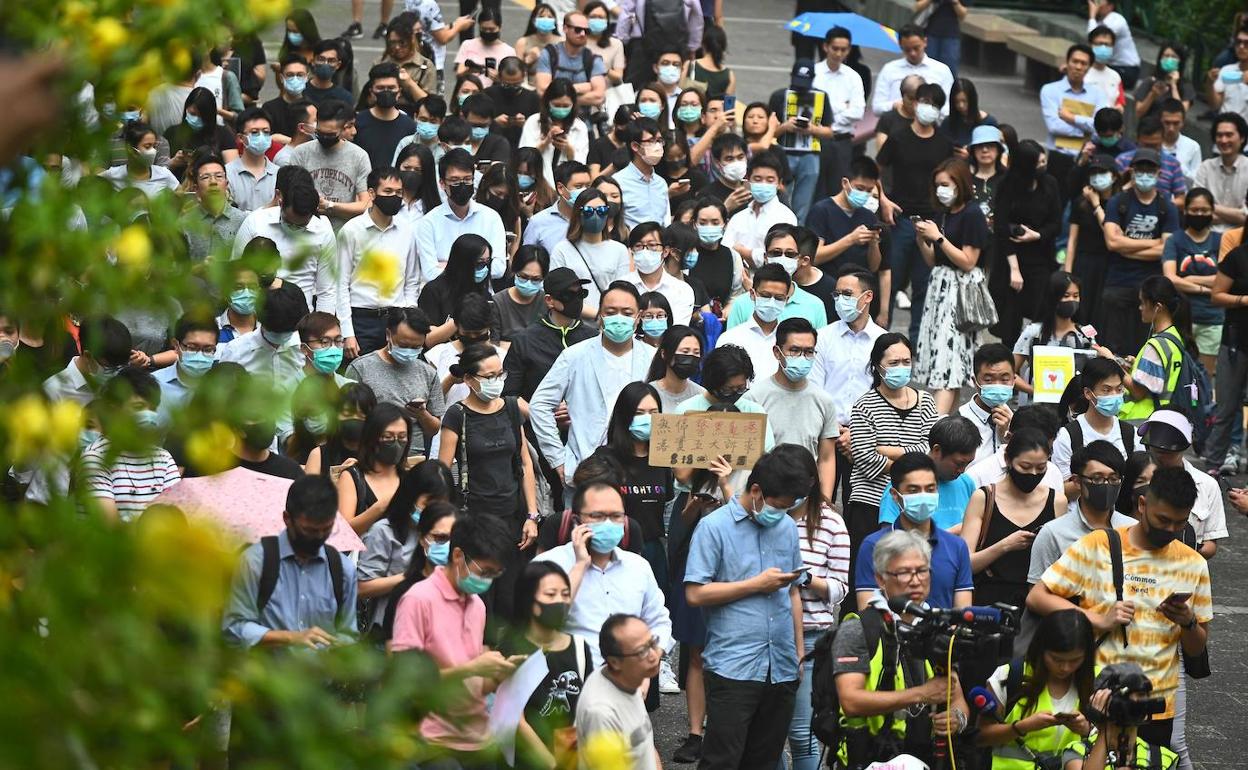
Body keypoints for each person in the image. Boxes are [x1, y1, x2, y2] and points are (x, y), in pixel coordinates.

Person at [1027, 465, 1211, 750]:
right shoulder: (1099, 544)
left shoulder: (1194, 563)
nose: (1171, 530)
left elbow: (1198, 647)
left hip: (1156, 705)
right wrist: (1095, 619)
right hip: (1097, 696)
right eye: (1162, 520)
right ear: (1142, 504)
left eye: (1180, 523)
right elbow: (1038, 596)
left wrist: (1188, 622)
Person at [684, 448, 806, 770]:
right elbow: (695, 593)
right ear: (756, 491)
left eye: (788, 507)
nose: (782, 513)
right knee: (722, 760)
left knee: (765, 760)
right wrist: (755, 585)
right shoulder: (714, 527)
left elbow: (793, 592)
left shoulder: (787, 528)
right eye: (778, 506)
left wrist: (799, 651)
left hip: (780, 664)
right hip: (733, 665)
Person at [832, 528, 969, 768]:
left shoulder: (939, 627)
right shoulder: (858, 627)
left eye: (922, 571)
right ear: (880, 578)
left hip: (924, 759)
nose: (916, 580)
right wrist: (921, 694)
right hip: (868, 758)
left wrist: (957, 719)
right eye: (904, 572)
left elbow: (956, 696)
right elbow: (850, 700)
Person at [390, 512, 519, 766]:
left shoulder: (477, 606)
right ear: (458, 555)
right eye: (485, 571)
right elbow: (405, 681)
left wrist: (496, 676)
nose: (488, 580)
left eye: (496, 574)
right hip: (434, 743)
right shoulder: (419, 599)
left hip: (477, 738)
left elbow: (474, 685)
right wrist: (472, 668)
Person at [533, 480, 673, 667]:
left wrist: (648, 663)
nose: (608, 523)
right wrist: (580, 565)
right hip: (568, 684)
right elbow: (540, 626)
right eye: (597, 516)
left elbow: (658, 621)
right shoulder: (547, 564)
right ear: (576, 521)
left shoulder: (638, 567)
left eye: (616, 516)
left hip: (628, 682)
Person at [530, 281, 652, 483]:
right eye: (611, 312)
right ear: (600, 316)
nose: (619, 318)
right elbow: (540, 405)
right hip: (586, 468)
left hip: (640, 470)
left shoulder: (653, 358)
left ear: (638, 317)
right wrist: (559, 461)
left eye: (627, 313)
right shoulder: (574, 356)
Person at [222, 475, 358, 648]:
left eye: (327, 529)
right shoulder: (256, 562)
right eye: (309, 530)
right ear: (287, 519)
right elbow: (233, 628)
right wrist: (288, 638)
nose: (318, 537)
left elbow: (348, 633)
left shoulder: (342, 570)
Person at [847, 334, 939, 562]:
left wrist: (886, 449)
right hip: (870, 500)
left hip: (914, 503)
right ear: (877, 367)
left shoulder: (925, 401)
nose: (902, 368)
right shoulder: (864, 405)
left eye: (906, 362)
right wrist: (912, 459)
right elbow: (865, 458)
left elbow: (931, 452)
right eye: (893, 363)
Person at [497, 561, 593, 770]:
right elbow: (514, 718)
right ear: (529, 601)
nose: (560, 601)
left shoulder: (578, 647)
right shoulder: (512, 649)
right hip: (525, 760)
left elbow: (586, 709)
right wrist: (551, 764)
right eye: (550, 595)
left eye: (565, 594)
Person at [878, 82, 955, 341]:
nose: (928, 108)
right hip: (900, 219)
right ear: (914, 102)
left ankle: (916, 345)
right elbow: (876, 170)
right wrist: (883, 200)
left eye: (934, 104)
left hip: (932, 222)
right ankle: (881, 338)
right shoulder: (898, 137)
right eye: (924, 101)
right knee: (891, 279)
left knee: (924, 286)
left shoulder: (945, 143)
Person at [913, 157, 989, 413]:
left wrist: (939, 238)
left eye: (945, 184)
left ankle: (931, 430)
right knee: (947, 368)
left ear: (960, 183)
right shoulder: (943, 214)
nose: (940, 190)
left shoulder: (973, 214)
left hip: (960, 297)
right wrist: (923, 239)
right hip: (940, 290)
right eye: (937, 185)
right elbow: (934, 260)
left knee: (948, 365)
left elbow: (969, 261)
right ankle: (945, 428)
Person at [961, 428, 1067, 609]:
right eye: (1025, 467)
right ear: (1008, 460)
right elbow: (965, 564)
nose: (1033, 474)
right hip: (990, 602)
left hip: (1038, 602)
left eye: (1041, 468)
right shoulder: (984, 498)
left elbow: (1063, 561)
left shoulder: (1057, 501)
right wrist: (1005, 546)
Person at [976, 610, 1096, 767]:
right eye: (1056, 659)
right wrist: (1022, 727)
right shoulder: (1010, 676)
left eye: (1075, 660)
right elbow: (979, 737)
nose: (1065, 668)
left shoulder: (1098, 681)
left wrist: (1087, 730)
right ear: (1041, 649)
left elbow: (1114, 741)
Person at [855, 451, 973, 608]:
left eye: (930, 489)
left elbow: (963, 612)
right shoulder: (873, 545)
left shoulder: (957, 547)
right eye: (913, 490)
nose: (923, 497)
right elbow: (867, 612)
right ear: (895, 496)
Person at [811, 269, 886, 500]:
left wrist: (857, 433)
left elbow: (884, 394)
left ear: (868, 297)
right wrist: (835, 429)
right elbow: (814, 387)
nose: (840, 300)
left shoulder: (882, 340)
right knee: (820, 504)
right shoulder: (822, 337)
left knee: (861, 509)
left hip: (866, 438)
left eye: (847, 293)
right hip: (825, 434)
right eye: (837, 294)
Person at [356, 461, 455, 637]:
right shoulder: (384, 532)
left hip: (439, 629)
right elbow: (362, 587)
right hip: (392, 629)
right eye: (429, 503)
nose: (434, 512)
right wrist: (414, 575)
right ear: (411, 497)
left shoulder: (452, 532)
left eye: (441, 505)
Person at [745, 318, 839, 500]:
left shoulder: (824, 400)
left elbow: (826, 458)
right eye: (794, 350)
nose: (802, 357)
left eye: (809, 352)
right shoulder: (754, 398)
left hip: (806, 497)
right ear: (777, 352)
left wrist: (824, 501)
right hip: (765, 497)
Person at [1099, 149, 1180, 358]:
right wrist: (1154, 243)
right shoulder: (1118, 202)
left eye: (1150, 169)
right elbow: (1112, 242)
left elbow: (1167, 249)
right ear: (1132, 172)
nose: (1145, 174)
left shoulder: (1167, 207)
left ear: (1159, 173)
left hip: (1151, 285)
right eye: (1140, 169)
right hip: (1118, 282)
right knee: (1113, 343)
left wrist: (1126, 245)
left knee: (1144, 344)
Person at [1030, 441, 1137, 595]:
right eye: (1097, 479)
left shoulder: (1133, 529)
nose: (1106, 485)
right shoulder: (1053, 533)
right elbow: (1036, 595)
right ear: (1077, 481)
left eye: (1114, 479)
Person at [336, 167, 419, 357]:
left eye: (399, 192)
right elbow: (340, 284)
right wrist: (347, 332)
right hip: (361, 319)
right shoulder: (351, 231)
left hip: (396, 318)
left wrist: (408, 317)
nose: (394, 197)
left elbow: (412, 280)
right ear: (372, 193)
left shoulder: (407, 232)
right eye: (388, 191)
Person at [79, 367, 181, 523]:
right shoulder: (95, 459)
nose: (148, 415)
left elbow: (179, 513)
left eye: (153, 409)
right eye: (138, 408)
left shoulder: (163, 458)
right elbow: (110, 527)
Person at [230, 175, 339, 314]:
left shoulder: (323, 232)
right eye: (289, 222)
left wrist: (321, 328)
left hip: (300, 317)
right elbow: (236, 272)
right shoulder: (256, 222)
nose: (293, 228)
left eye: (301, 226)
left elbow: (327, 291)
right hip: (256, 315)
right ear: (280, 203)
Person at [994, 141, 1063, 347]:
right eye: (1039, 163)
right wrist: (1014, 269)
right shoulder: (1007, 186)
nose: (1043, 166)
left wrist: (1037, 235)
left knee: (1041, 312)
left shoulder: (1050, 183)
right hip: (1011, 256)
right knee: (1010, 318)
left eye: (1044, 161)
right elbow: (1001, 227)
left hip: (1041, 256)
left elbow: (1056, 223)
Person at [576, 614, 663, 770]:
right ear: (615, 662)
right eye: (642, 651)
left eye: (653, 643)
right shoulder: (601, 713)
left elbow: (644, 741)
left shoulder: (628, 677)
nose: (653, 655)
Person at [1138, 410, 1227, 559]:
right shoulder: (1134, 476)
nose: (1160, 456)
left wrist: (1186, 549)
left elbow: (1211, 544)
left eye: (1167, 452)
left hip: (1185, 573)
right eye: (1155, 450)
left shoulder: (1207, 485)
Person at [502, 267, 598, 402]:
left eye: (581, 294)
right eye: (568, 295)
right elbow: (510, 393)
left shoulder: (594, 338)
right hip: (536, 419)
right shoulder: (525, 341)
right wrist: (541, 414)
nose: (576, 300)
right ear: (549, 300)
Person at [414, 149, 508, 280]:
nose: (462, 185)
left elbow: (498, 269)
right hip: (444, 297)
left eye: (467, 179)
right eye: (455, 181)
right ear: (442, 183)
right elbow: (430, 273)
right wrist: (478, 266)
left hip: (480, 296)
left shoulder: (491, 217)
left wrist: (448, 266)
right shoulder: (429, 222)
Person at [1115, 275, 1196, 423]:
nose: (1140, 308)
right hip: (1165, 418)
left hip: (1142, 421)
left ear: (1157, 307)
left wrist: (1113, 364)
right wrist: (1136, 366)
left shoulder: (1156, 345)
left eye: (1143, 303)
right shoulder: (1175, 336)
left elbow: (1138, 392)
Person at [1051, 358, 1134, 501]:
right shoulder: (1068, 436)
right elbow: (1060, 491)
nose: (1114, 396)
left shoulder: (1131, 434)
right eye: (1106, 390)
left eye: (1119, 389)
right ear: (1088, 393)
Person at [878, 416, 980, 531]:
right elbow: (888, 540)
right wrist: (949, 537)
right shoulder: (901, 487)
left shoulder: (966, 484)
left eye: (968, 463)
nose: (962, 470)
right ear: (937, 450)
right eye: (958, 463)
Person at [1161, 188, 1222, 375]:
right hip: (1181, 317)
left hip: (1213, 319)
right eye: (1195, 210)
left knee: (1205, 375)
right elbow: (1170, 279)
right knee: (1175, 374)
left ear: (1212, 211)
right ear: (1185, 211)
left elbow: (1225, 280)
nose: (1199, 214)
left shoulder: (1222, 240)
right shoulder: (1174, 241)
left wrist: (1191, 280)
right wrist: (1207, 289)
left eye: (1204, 210)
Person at [766, 59, 835, 223]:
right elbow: (768, 131)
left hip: (810, 156)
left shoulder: (821, 97)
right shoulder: (778, 96)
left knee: (803, 205)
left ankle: (796, 239)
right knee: (779, 200)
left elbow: (830, 131)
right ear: (791, 76)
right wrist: (785, 127)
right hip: (783, 154)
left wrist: (812, 129)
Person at [287, 99, 372, 228]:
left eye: (331, 134)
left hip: (342, 233)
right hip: (305, 232)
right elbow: (289, 197)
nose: (324, 137)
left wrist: (329, 206)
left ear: (344, 128)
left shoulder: (359, 156)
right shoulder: (301, 153)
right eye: (320, 133)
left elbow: (366, 205)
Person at [548, 188, 630, 320]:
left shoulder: (619, 250)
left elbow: (621, 291)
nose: (596, 216)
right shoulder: (562, 249)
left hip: (607, 323)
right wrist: (597, 315)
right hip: (572, 322)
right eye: (588, 211)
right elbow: (557, 292)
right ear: (578, 214)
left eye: (602, 211)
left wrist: (606, 317)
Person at [218, 282, 309, 388]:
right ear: (261, 321)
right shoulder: (235, 352)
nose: (279, 337)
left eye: (287, 331)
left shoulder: (304, 350)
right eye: (275, 331)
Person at [336, 402, 408, 536]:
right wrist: (379, 508)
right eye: (388, 437)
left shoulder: (409, 479)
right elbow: (343, 533)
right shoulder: (353, 477)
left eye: (402, 437)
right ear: (372, 438)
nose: (396, 443)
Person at [1064, 154, 1119, 326]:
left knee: (1101, 311)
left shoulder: (1119, 203)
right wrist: (1067, 273)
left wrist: (1096, 204)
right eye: (1093, 172)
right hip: (1085, 262)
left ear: (1114, 176)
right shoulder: (1080, 203)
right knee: (1082, 309)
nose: (1097, 176)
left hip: (1109, 263)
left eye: (1102, 172)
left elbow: (1111, 233)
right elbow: (1072, 240)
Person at [715, 263, 793, 379]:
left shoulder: (791, 341)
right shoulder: (730, 339)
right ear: (752, 294)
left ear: (786, 300)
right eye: (766, 295)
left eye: (779, 298)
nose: (772, 302)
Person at [723, 151, 797, 272]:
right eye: (757, 179)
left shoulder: (786, 217)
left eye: (770, 180)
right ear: (748, 181)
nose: (763, 184)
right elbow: (726, 250)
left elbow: (780, 259)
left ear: (779, 183)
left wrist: (742, 251)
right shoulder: (738, 217)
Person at [812, 26, 865, 186]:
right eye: (835, 48)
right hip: (816, 140)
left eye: (844, 49)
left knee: (839, 188)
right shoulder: (814, 73)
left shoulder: (853, 77)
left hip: (841, 141)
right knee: (815, 187)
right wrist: (843, 108)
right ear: (825, 46)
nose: (839, 53)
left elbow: (857, 112)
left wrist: (830, 121)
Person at [1041, 45, 1110, 157]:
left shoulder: (1098, 94)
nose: (1078, 67)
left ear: (1089, 67)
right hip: (1059, 154)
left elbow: (1101, 125)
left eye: (1083, 63)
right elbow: (1054, 126)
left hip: (1088, 155)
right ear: (1067, 62)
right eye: (1075, 61)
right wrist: (1087, 131)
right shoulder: (1050, 90)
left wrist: (1072, 118)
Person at [871, 25, 954, 117]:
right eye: (907, 49)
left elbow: (948, 108)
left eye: (916, 48)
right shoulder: (889, 69)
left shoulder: (942, 70)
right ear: (900, 46)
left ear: (925, 42)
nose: (912, 53)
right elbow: (877, 108)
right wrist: (898, 105)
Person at [623, 221, 695, 325]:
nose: (645, 251)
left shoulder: (682, 290)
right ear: (631, 251)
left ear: (665, 251)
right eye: (638, 246)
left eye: (652, 245)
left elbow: (678, 330)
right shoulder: (620, 287)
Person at [181, 154, 246, 263]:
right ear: (196, 188)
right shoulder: (185, 224)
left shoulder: (243, 221)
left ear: (226, 184)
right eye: (205, 177)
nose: (213, 182)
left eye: (219, 176)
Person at [534, 11, 607, 108]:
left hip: (582, 119)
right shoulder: (549, 54)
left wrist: (562, 100)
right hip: (550, 116)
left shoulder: (593, 59)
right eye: (578, 30)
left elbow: (599, 97)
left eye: (587, 31)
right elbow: (542, 90)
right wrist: (583, 87)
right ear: (565, 28)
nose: (582, 34)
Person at [163, 87, 239, 179]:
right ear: (186, 110)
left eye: (201, 116)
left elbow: (233, 170)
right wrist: (174, 162)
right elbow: (158, 171)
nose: (196, 119)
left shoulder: (224, 134)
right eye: (192, 114)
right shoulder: (171, 133)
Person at [957, 343, 1015, 461]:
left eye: (1005, 379)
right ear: (975, 381)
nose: (997, 385)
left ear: (1014, 380)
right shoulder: (958, 421)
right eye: (988, 380)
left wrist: (1007, 439)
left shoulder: (1019, 421)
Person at [304, 381, 377, 474]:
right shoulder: (318, 456)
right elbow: (308, 487)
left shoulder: (380, 456)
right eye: (347, 414)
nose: (354, 420)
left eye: (362, 416)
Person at [352, 63, 416, 170]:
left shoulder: (409, 126)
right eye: (380, 88)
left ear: (399, 92)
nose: (386, 92)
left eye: (391, 88)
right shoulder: (357, 122)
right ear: (372, 92)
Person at [1194, 112, 1248, 233]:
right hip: (1205, 235)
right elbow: (1196, 212)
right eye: (1219, 135)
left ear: (1242, 138)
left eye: (1229, 135)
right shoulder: (1205, 167)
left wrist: (1210, 207)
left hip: (1241, 238)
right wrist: (1237, 215)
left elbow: (1246, 218)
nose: (1224, 140)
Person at [615, 118, 672, 230]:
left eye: (659, 141)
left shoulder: (661, 183)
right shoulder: (618, 182)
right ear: (635, 146)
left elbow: (666, 221)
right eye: (651, 141)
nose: (657, 146)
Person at [688, 197, 744, 312]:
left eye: (715, 223)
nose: (709, 227)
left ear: (725, 224)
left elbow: (736, 295)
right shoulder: (687, 255)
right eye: (703, 223)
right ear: (694, 224)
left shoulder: (733, 256)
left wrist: (728, 310)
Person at [523, 160, 590, 255]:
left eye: (588, 186)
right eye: (578, 187)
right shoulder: (538, 222)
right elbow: (526, 261)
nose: (585, 191)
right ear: (561, 188)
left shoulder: (594, 217)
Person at [99, 121, 179, 197]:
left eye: (154, 146)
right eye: (147, 146)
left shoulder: (164, 174)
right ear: (130, 149)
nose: (153, 151)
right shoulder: (112, 175)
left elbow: (183, 199)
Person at [380, 13, 438, 112]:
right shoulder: (380, 63)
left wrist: (409, 84)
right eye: (393, 42)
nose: (397, 47)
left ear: (412, 40)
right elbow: (369, 100)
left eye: (402, 42)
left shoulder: (426, 66)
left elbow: (431, 106)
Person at [225, 107, 279, 213]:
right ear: (241, 138)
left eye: (266, 132)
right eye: (254, 132)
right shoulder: (227, 173)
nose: (261, 136)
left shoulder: (279, 173)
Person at [645, 324, 706, 413]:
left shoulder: (702, 395)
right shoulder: (648, 393)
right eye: (685, 351)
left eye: (696, 352)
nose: (691, 356)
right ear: (664, 354)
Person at [454, 7, 515, 88]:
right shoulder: (467, 44)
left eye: (491, 29)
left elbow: (512, 80)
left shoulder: (509, 51)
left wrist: (500, 78)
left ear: (499, 27)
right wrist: (469, 70)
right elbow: (459, 74)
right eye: (484, 29)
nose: (487, 32)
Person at [1087, 0, 1141, 88]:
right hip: (1110, 65)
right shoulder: (1101, 22)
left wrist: (1092, 16)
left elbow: (1093, 37)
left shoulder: (1117, 21)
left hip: (1126, 69)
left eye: (1100, 2)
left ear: (1110, 6)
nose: (1096, 5)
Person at [1086, 25, 1126, 109]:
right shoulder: (1082, 72)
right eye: (1099, 44)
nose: (1103, 48)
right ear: (1090, 45)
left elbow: (1120, 103)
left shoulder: (1115, 76)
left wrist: (1119, 108)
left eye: (1107, 45)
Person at [304, 40, 355, 106]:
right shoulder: (301, 91)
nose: (325, 64)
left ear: (338, 65)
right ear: (313, 61)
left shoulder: (345, 98)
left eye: (331, 61)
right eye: (321, 59)